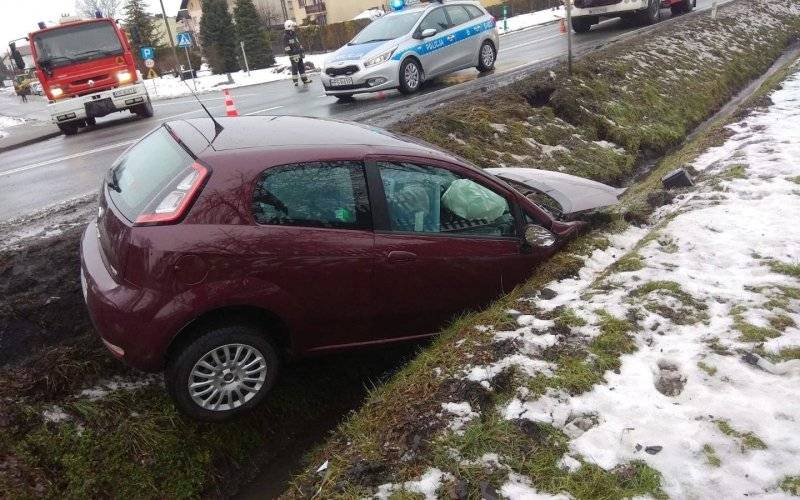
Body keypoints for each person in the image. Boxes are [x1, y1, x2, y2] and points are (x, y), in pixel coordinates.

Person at [283, 20, 310, 86]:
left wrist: (301, 49)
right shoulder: (286, 36)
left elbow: (298, 43)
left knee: (301, 67)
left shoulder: (294, 34)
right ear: (289, 27)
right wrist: (291, 53)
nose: (293, 28)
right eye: (292, 26)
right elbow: (286, 46)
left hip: (299, 53)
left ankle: (305, 80)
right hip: (293, 55)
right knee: (295, 68)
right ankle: (295, 81)